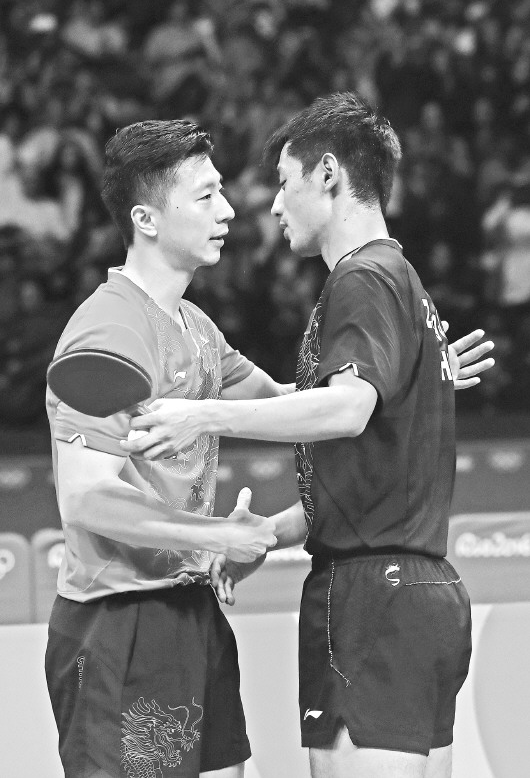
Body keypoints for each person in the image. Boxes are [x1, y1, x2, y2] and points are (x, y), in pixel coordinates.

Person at [122, 93, 495, 778]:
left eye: (283, 182)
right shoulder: (401, 281)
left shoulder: (363, 277)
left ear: (328, 174)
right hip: (417, 594)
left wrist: (203, 414)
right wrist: (263, 533)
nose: (271, 206)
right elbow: (356, 469)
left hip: (372, 600)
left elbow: (345, 409)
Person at [45, 120, 282, 778]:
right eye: (205, 196)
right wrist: (214, 535)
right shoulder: (110, 330)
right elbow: (87, 496)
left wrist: (404, 381)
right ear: (145, 219)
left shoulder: (196, 326)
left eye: (222, 192)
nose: (227, 210)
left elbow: (280, 405)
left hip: (191, 608)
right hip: (117, 621)